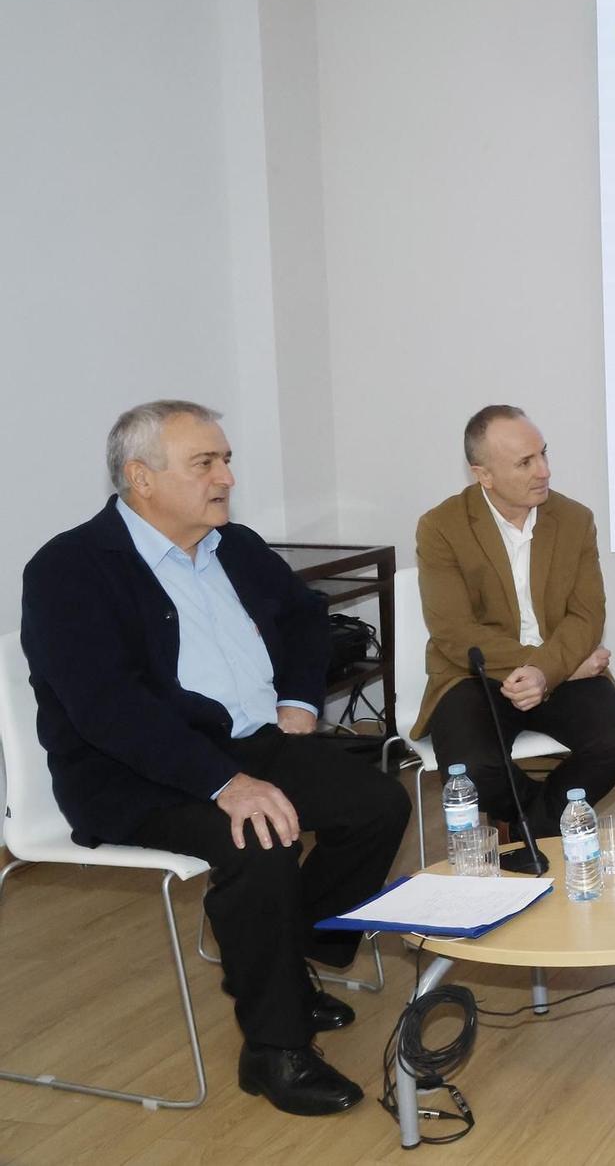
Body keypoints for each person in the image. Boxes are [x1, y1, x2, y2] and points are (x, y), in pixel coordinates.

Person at [19, 400, 411, 1117]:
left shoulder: (235, 544)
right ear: (142, 478)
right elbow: (108, 710)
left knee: (379, 803)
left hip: (251, 741)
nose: (226, 476)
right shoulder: (71, 570)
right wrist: (225, 781)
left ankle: (290, 956)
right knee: (258, 840)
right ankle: (275, 1049)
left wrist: (299, 696)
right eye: (207, 463)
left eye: (225, 460)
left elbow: (303, 617)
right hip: (130, 771)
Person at [412, 405, 615, 842]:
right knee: (471, 771)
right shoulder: (441, 527)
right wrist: (555, 666)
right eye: (525, 462)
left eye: (543, 455)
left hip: (561, 665)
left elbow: (587, 614)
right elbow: (453, 631)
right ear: (483, 475)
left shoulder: (575, 519)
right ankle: (546, 824)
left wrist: (547, 672)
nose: (544, 471)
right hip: (473, 675)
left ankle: (527, 830)